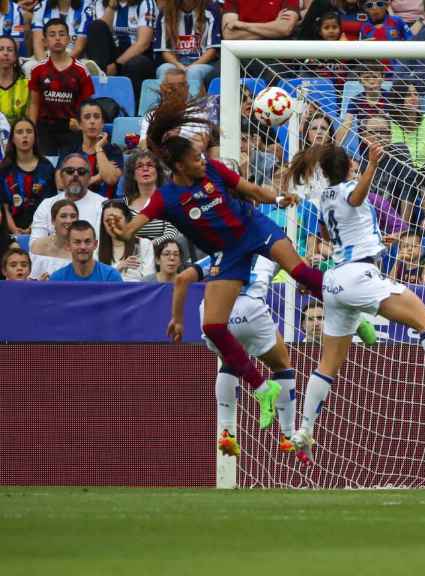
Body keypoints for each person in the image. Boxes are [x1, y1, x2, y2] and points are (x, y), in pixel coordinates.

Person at [111, 95, 330, 432]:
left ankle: (350, 312)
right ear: (180, 166)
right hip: (229, 253)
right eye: (196, 159)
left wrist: (279, 197)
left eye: (202, 156)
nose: (203, 161)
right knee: (213, 327)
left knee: (299, 270)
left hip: (254, 229)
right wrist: (119, 228)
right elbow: (131, 227)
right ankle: (262, 388)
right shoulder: (165, 198)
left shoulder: (213, 169)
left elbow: (251, 189)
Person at [285, 142, 425, 463]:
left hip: (336, 279)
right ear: (348, 167)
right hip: (358, 276)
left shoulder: (325, 198)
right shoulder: (348, 189)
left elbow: (349, 227)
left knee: (328, 364)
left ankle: (304, 428)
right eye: (355, 163)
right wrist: (373, 166)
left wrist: (378, 242)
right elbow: (356, 197)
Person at [168, 256, 299, 457]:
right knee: (282, 365)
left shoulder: (217, 252)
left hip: (212, 312)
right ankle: (288, 437)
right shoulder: (270, 245)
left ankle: (227, 433)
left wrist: (177, 318)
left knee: (229, 361)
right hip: (249, 308)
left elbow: (182, 277)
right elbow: (299, 267)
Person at [28, 18, 94, 156]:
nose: (57, 38)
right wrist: (32, 129)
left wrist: (81, 125)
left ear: (69, 39)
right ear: (45, 41)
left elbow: (87, 105)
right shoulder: (37, 70)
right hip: (44, 128)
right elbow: (34, 104)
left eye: (62, 34)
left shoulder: (81, 70)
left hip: (72, 128)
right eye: (52, 35)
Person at [85, 0, 157, 98]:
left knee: (137, 63)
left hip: (138, 55)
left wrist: (117, 64)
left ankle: (132, 108)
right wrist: (111, 7)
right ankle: (101, 80)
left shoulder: (146, 3)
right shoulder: (100, 3)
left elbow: (143, 44)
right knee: (96, 26)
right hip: (113, 54)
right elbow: (102, 31)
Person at [0, 118, 56, 236]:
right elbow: (3, 206)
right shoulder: (4, 169)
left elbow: (50, 203)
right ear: (13, 139)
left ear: (35, 137)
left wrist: (34, 227)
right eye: (19, 132)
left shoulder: (46, 167)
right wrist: (13, 229)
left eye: (29, 131)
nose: (25, 136)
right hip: (9, 229)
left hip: (42, 229)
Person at [29, 153, 102, 243]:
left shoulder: (102, 205)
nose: (75, 175)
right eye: (69, 171)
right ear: (61, 176)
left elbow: (100, 247)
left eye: (81, 171)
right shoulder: (46, 205)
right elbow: (35, 246)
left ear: (89, 177)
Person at [155, 0, 222, 97]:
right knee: (163, 69)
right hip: (176, 63)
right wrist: (179, 65)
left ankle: (192, 108)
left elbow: (212, 50)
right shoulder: (166, 12)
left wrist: (190, 67)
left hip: (203, 64)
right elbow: (165, 51)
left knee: (193, 72)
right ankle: (165, 107)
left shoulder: (211, 10)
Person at [123, 151, 179, 245]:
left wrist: (148, 247)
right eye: (139, 166)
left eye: (150, 165)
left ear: (157, 172)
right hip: (132, 253)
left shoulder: (169, 199)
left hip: (162, 252)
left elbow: (171, 233)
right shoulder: (124, 203)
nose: (145, 168)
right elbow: (123, 233)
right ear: (133, 175)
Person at [72, 99, 123, 199]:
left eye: (96, 117)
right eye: (87, 117)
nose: (92, 121)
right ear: (80, 124)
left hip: (106, 207)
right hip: (76, 204)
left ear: (103, 123)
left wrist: (98, 148)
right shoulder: (71, 149)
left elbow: (110, 179)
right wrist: (99, 176)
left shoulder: (113, 151)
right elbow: (61, 184)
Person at [98, 199, 154, 281]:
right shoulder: (96, 248)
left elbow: (149, 279)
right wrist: (118, 268)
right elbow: (96, 281)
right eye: (107, 221)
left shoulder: (144, 244)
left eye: (117, 219)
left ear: (127, 220)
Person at [49, 219, 122, 281]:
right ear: (68, 246)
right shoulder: (57, 279)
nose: (83, 247)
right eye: (77, 242)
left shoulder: (110, 277)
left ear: (95, 244)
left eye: (87, 241)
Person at [28, 197, 76, 279]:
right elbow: (29, 280)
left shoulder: (82, 249)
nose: (69, 221)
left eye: (73, 216)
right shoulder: (38, 246)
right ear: (53, 221)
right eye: (63, 216)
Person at [221, 0, 299, 40]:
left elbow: (285, 29)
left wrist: (243, 25)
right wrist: (274, 26)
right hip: (239, 54)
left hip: (275, 55)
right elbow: (229, 34)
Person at [0, 35, 29, 122]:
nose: (5, 53)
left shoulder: (26, 85)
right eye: (1, 49)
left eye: (10, 50)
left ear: (16, 56)